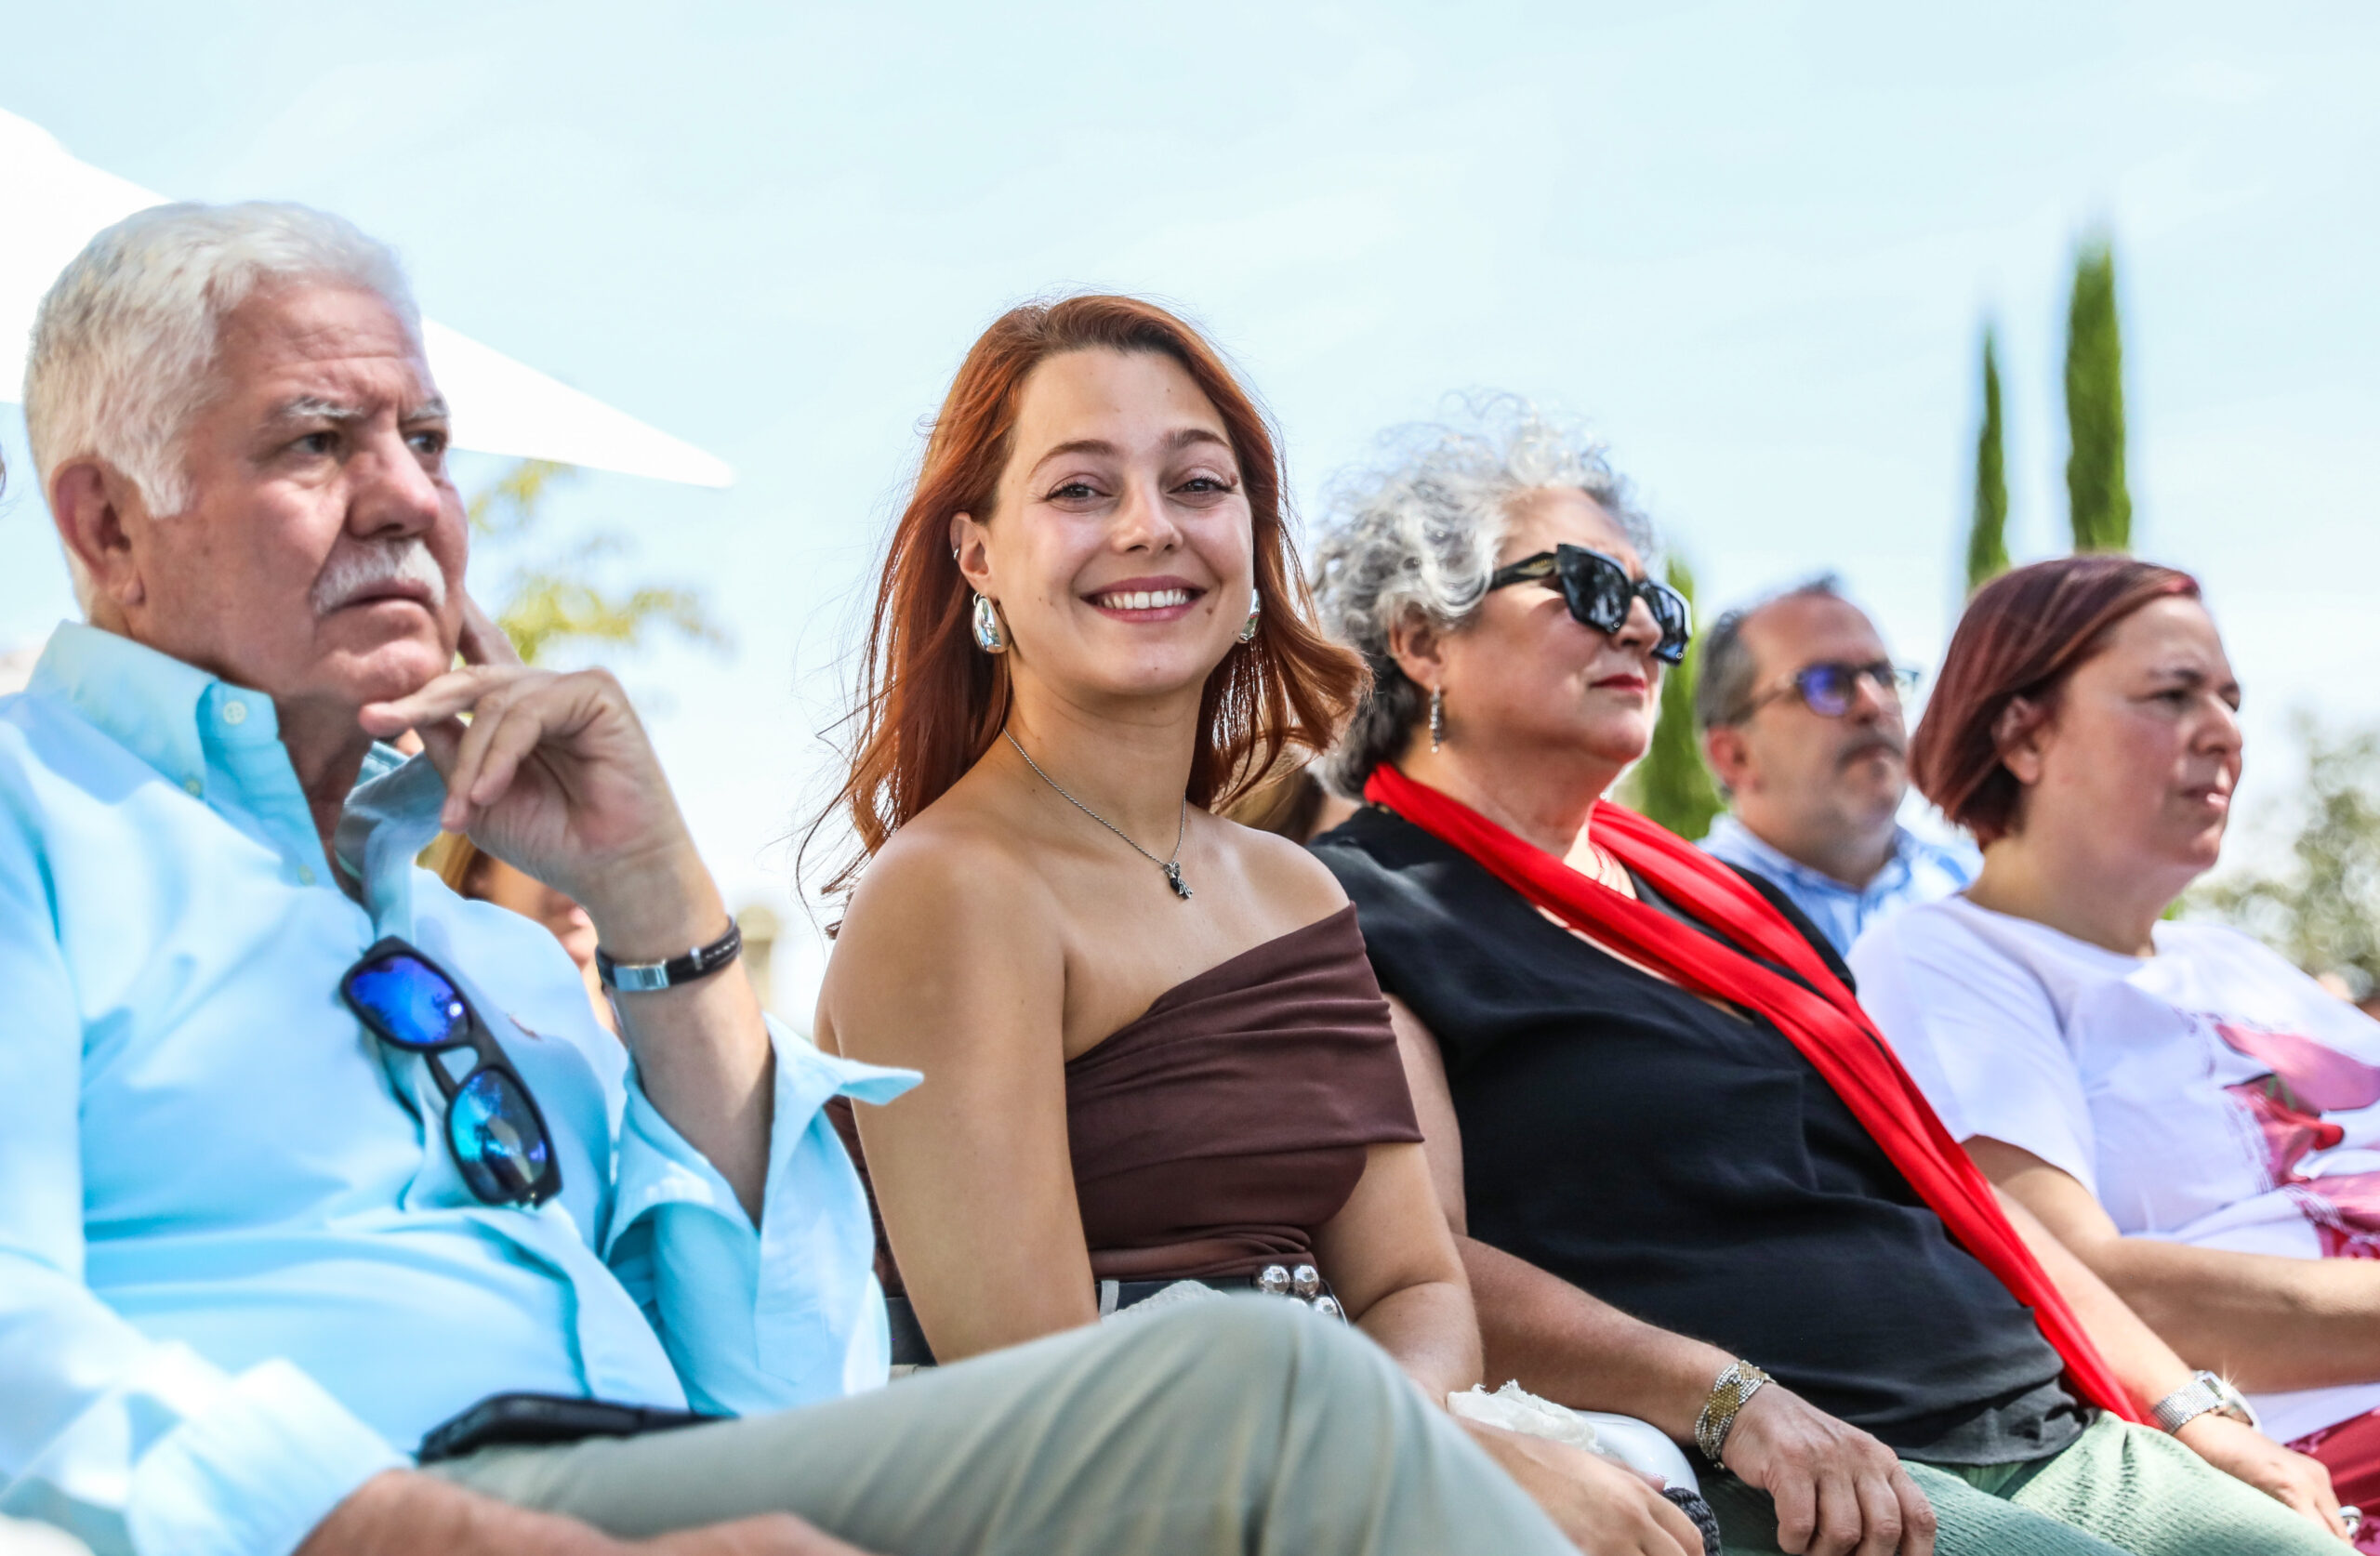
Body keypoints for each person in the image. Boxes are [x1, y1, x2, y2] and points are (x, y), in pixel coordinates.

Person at [0, 202, 1618, 1556]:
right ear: (107, 525)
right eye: (316, 441)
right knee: (1262, 1387)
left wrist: (660, 906)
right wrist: (413, 1529)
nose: (412, 498)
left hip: (657, 1481)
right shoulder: (35, 812)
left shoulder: (480, 950)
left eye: (427, 440)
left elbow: (770, 1370)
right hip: (378, 1504)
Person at [1303, 401, 2350, 1556]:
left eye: (1659, 606)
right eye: (1590, 589)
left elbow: (1948, 1184)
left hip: (2045, 1425)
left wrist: (2189, 1411)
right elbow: (1412, 1262)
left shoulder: (1728, 908)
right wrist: (1728, 1399)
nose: (1643, 631)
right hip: (1797, 1471)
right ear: (1422, 638)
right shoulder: (1353, 908)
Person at [812, 296, 1703, 1556]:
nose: (1149, 527)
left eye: (1197, 483)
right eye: (1080, 489)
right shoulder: (950, 890)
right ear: (977, 555)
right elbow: (1048, 1397)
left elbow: (1414, 1282)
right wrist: (1417, 1463)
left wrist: (1411, 1443)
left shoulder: (1299, 891)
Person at [1849, 555, 2380, 1549]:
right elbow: (2068, 1282)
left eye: (2228, 699)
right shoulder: (1943, 959)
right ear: (2023, 736)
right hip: (2310, 1477)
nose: (2225, 731)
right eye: (2172, 695)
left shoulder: (2232, 960)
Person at [1694, 578, 1974, 954]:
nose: (1872, 703)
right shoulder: (1681, 919)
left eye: (1883, 677)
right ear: (1734, 755)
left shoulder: (1978, 893)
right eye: (1826, 683)